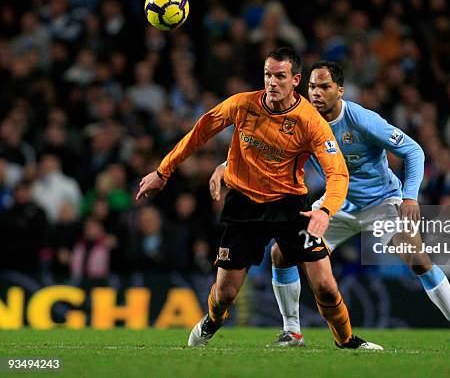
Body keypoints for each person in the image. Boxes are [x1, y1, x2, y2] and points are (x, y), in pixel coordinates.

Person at [210, 61, 450, 349]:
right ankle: (292, 331)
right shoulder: (302, 120)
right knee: (281, 254)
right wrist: (226, 165)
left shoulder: (362, 120)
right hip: (337, 205)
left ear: (339, 90)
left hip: (381, 203)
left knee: (417, 258)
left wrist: (410, 196)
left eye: (324, 86)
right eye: (312, 86)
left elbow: (413, 150)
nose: (316, 92)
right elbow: (267, 148)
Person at [136, 48, 382, 350]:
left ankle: (346, 340)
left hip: (291, 207)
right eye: (268, 75)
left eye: (280, 76)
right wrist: (163, 171)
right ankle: (212, 320)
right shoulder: (242, 105)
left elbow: (338, 172)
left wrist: (326, 210)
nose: (272, 82)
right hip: (244, 206)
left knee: (326, 286)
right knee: (225, 294)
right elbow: (200, 132)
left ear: (295, 80)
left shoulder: (309, 121)